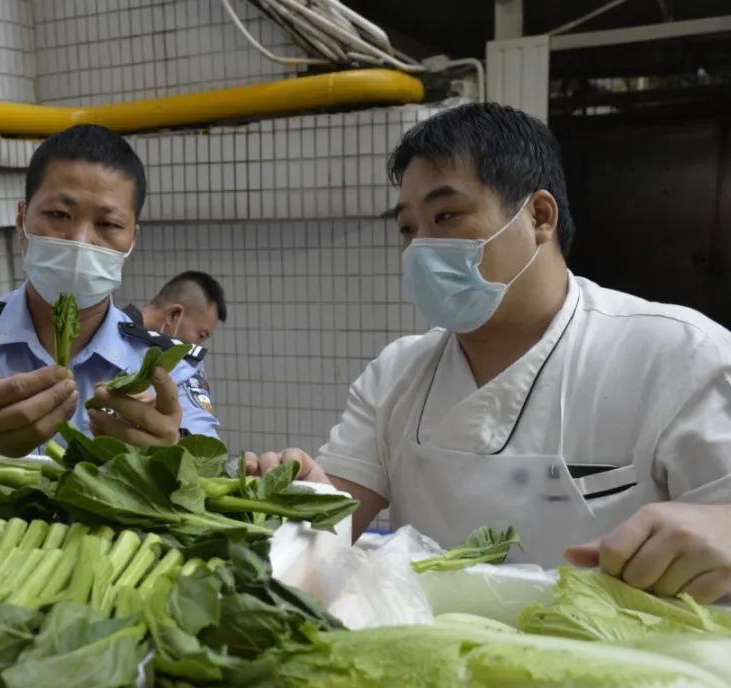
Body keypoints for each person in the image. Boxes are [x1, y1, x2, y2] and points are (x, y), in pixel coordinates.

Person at [248, 103, 731, 602]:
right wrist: (302, 496)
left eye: (446, 216)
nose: (421, 250)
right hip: (442, 659)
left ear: (539, 216)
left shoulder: (680, 355)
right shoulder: (397, 373)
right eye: (408, 229)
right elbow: (328, 527)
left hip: (623, 665)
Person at [0, 124, 218, 458]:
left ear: (132, 240)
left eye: (108, 224)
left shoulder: (172, 367)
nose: (79, 241)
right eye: (59, 215)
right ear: (21, 220)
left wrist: (170, 453)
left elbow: (207, 466)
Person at [122, 271, 227, 347]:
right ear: (174, 315)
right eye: (201, 335)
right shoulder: (114, 336)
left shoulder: (142, 345)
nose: (198, 345)